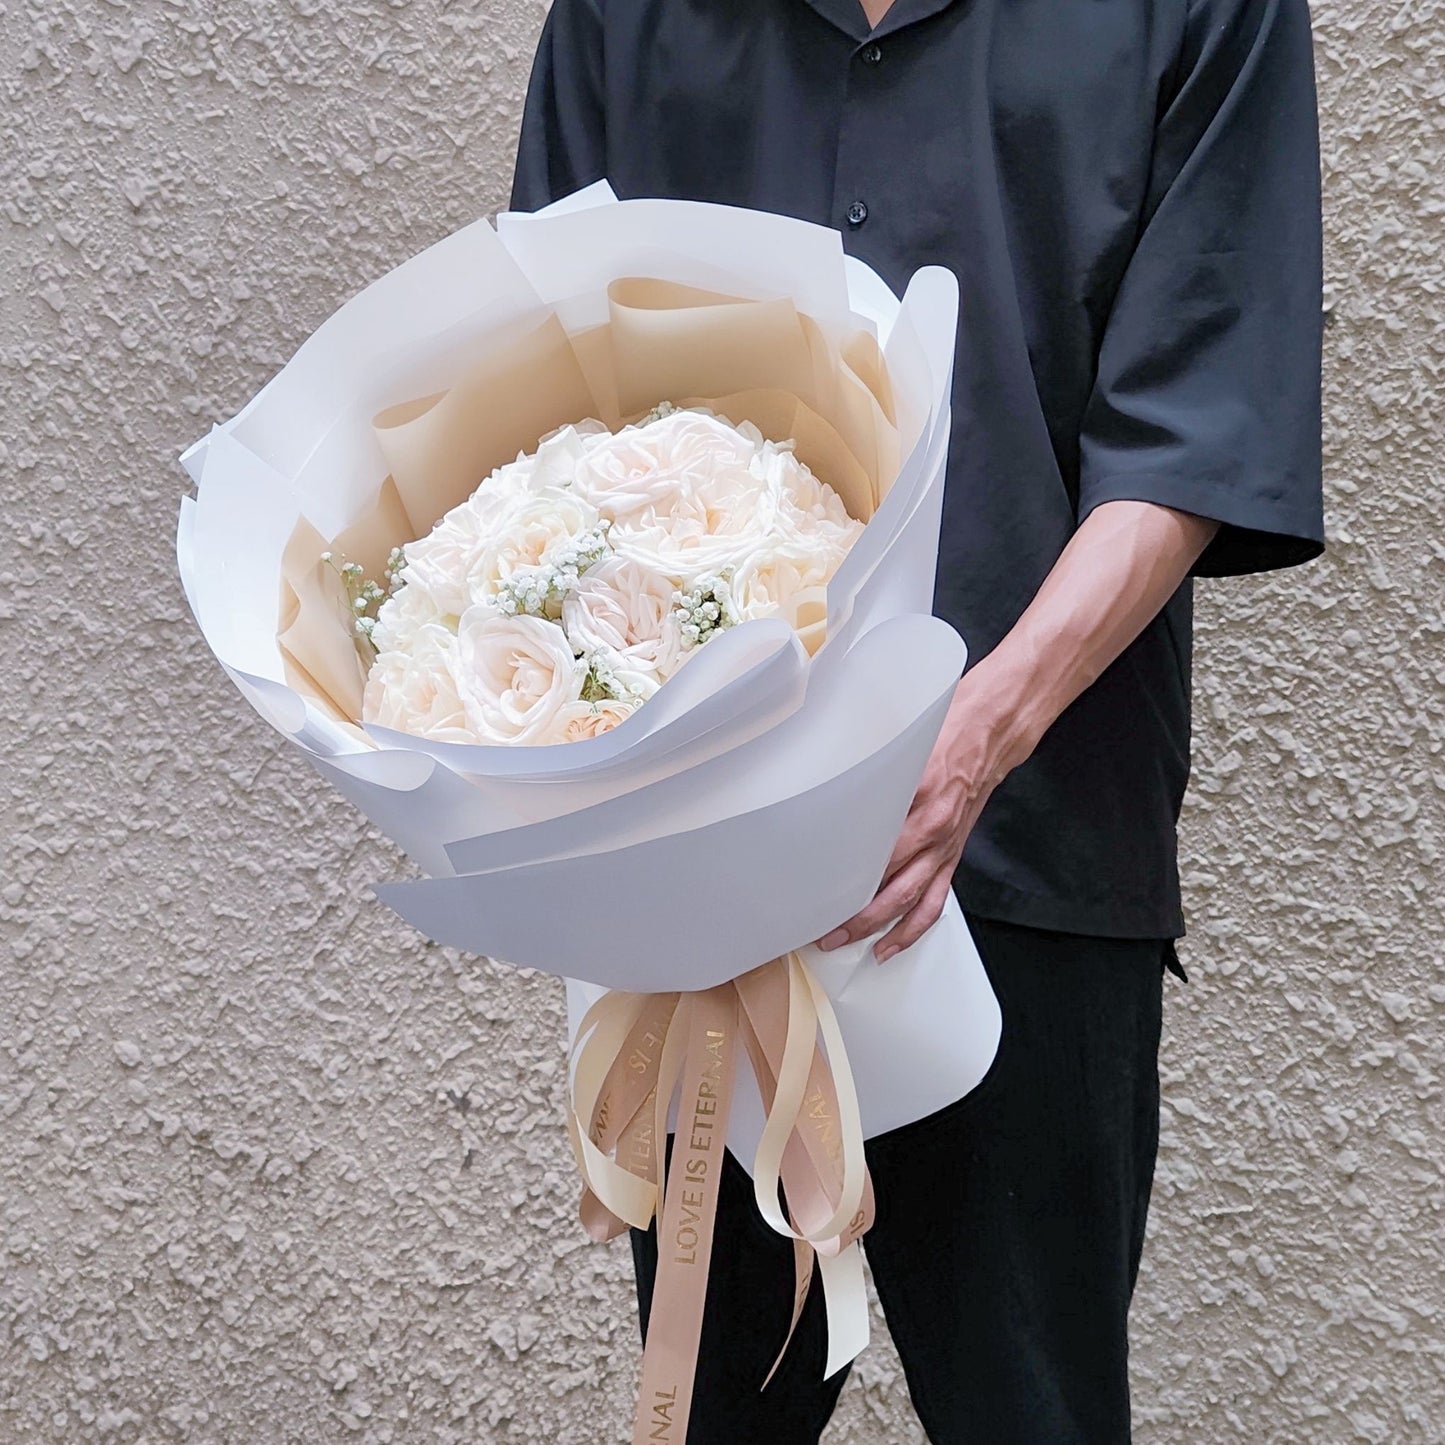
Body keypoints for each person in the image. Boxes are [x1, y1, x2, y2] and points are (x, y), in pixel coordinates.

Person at [511, 0, 1325, 1439]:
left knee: (1031, 1409)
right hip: (699, 874)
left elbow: (1196, 431)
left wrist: (969, 741)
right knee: (712, 1411)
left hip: (1030, 837)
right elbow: (545, 400)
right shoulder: (622, 18)